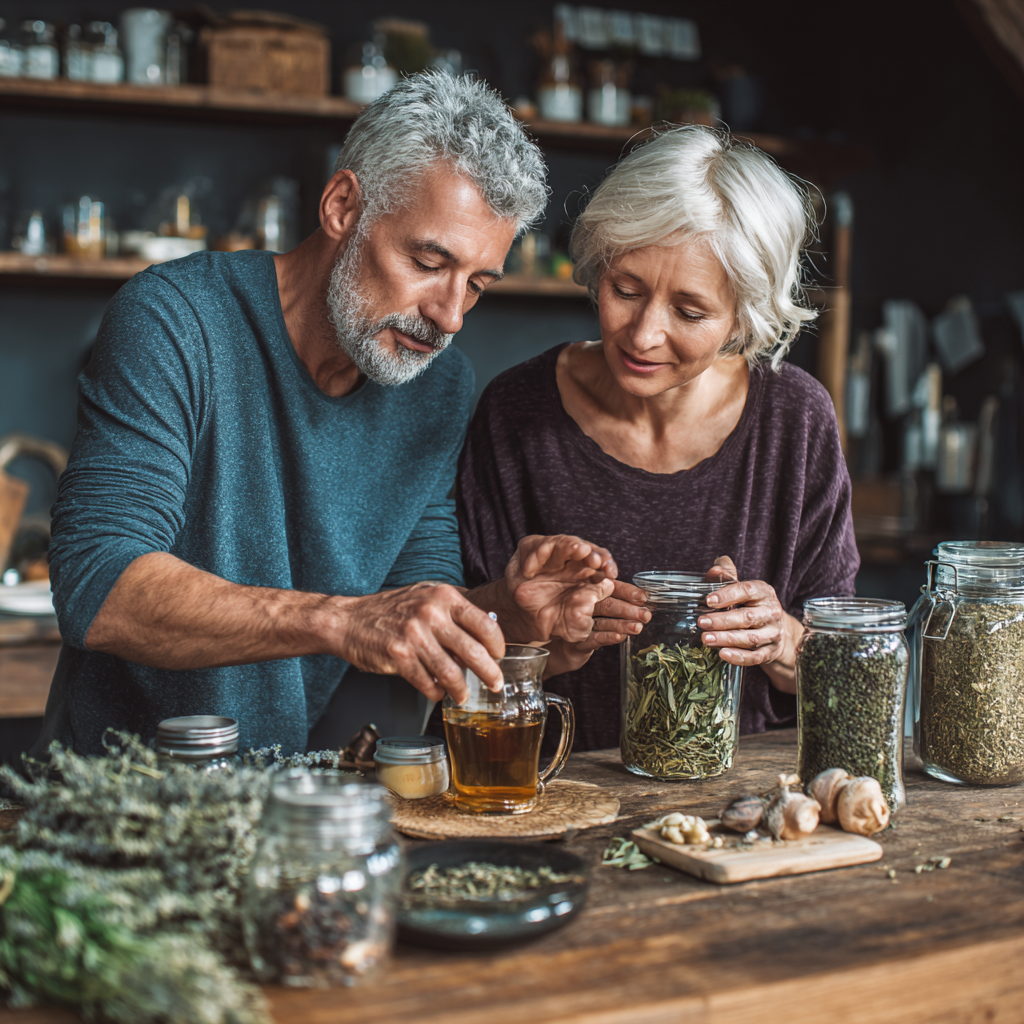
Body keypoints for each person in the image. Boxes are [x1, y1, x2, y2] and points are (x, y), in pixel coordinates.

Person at [36, 72, 620, 758]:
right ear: (343, 205)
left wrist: (513, 618)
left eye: (477, 284)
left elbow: (412, 608)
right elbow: (97, 583)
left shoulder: (435, 386)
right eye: (428, 262)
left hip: (284, 807)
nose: (450, 315)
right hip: (114, 799)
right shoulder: (175, 319)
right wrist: (343, 621)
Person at [454, 125, 860, 751]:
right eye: (626, 290)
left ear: (742, 319)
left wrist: (779, 637)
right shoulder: (516, 413)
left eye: (691, 313)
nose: (643, 335)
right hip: (551, 785)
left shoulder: (795, 418)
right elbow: (457, 653)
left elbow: (847, 676)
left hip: (736, 808)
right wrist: (537, 632)